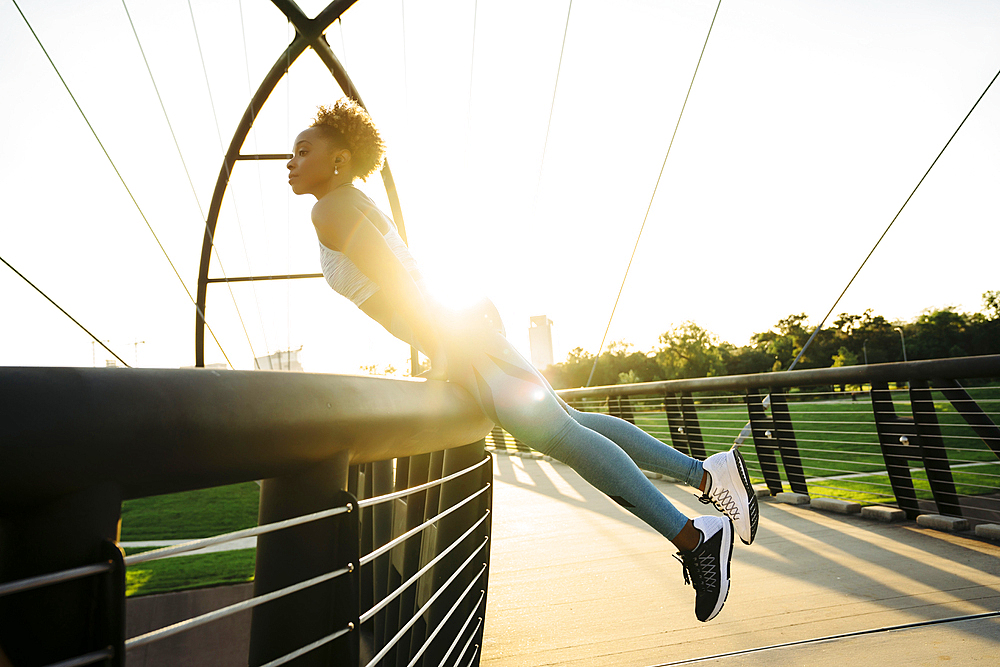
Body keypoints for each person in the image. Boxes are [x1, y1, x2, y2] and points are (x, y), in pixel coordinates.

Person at [286, 98, 758, 623]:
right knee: (570, 424)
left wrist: (446, 346)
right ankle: (708, 476)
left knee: (559, 435)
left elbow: (398, 281)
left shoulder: (328, 208)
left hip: (459, 337)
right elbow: (407, 272)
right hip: (462, 331)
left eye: (303, 151)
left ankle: (695, 536)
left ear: (340, 159)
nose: (291, 162)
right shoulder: (349, 202)